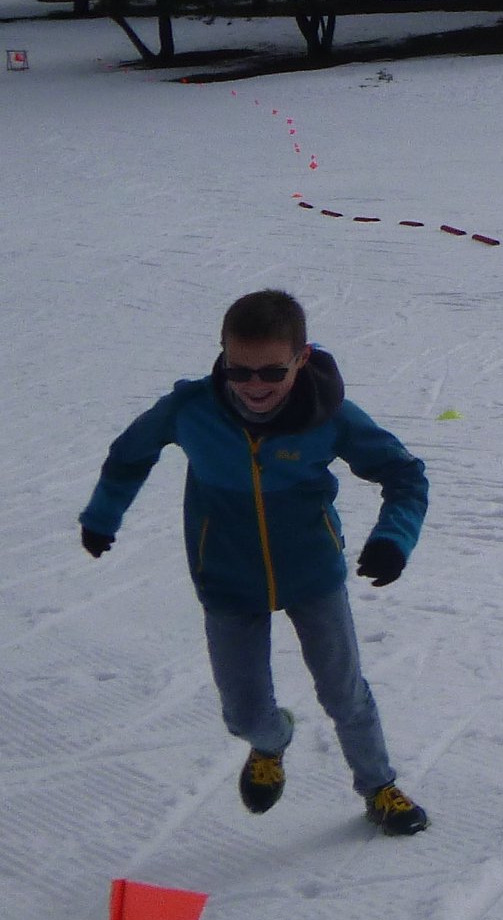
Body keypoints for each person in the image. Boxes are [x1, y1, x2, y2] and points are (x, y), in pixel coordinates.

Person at [80, 290, 432, 835]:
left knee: (344, 691)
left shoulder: (329, 416)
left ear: (301, 359)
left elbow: (405, 476)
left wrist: (394, 538)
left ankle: (378, 784)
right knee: (243, 713)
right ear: (222, 355)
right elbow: (130, 455)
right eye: (239, 371)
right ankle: (271, 742)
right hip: (226, 579)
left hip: (313, 575)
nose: (255, 386)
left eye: (272, 371)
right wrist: (102, 516)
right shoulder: (191, 409)